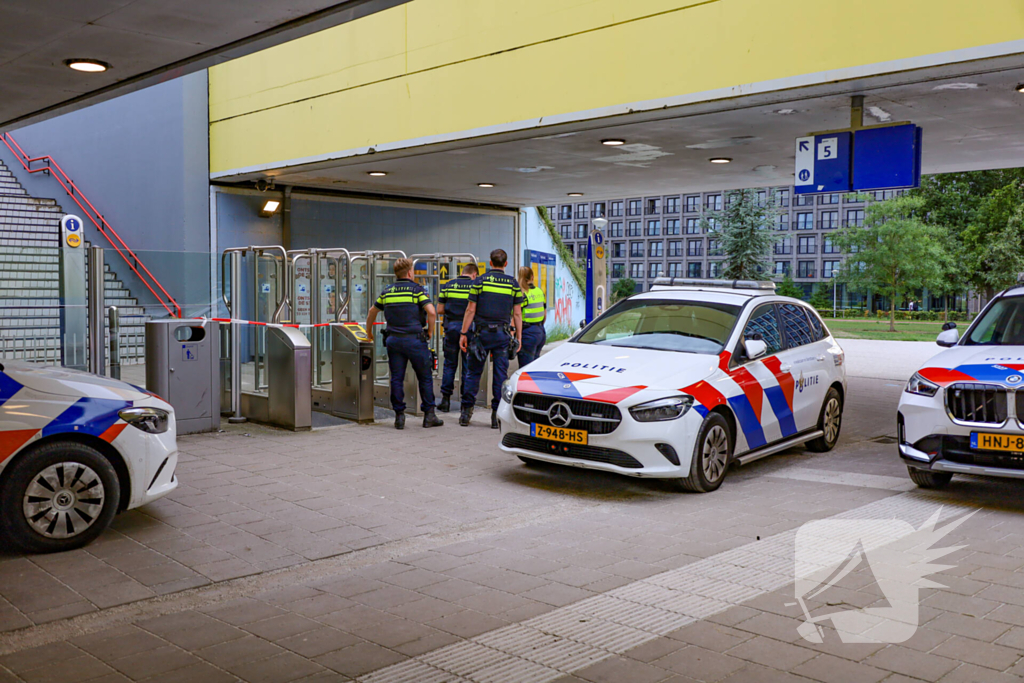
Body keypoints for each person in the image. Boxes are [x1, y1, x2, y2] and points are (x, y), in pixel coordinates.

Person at [365, 258, 444, 430]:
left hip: (394, 340)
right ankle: (429, 415)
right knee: (424, 377)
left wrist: (368, 331)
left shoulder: (387, 291)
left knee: (397, 378)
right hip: (415, 340)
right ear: (409, 272)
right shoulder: (417, 290)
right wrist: (430, 332)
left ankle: (399, 417)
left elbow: (372, 311)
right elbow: (431, 311)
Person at [459, 249, 524, 429]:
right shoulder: (512, 284)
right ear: (505, 264)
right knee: (500, 376)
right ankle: (496, 417)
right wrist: (518, 337)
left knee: (473, 373)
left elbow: (470, 309)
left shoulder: (479, 281)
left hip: (481, 335)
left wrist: (463, 333)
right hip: (502, 336)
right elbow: (517, 313)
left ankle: (466, 413)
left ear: (490, 262)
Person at [436, 262, 479, 412]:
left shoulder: (448, 285)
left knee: (449, 365)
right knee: (468, 367)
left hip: (451, 328)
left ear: (463, 272)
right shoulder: (476, 285)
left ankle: (445, 400)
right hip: (470, 330)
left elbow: (439, 309)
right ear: (474, 274)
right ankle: (465, 403)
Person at [517, 266, 547, 367]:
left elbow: (517, 315)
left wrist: (516, 335)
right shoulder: (539, 291)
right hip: (540, 332)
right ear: (532, 277)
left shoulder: (522, 294)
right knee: (534, 365)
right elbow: (545, 314)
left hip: (527, 334)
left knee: (525, 369)